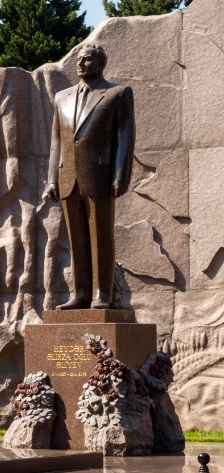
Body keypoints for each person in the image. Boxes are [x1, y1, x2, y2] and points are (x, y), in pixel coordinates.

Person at [44, 43, 136, 310]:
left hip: (100, 176)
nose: (79, 63)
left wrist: (121, 175)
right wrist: (52, 179)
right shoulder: (62, 97)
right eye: (78, 59)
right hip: (68, 178)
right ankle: (81, 294)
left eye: (86, 59)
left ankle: (101, 294)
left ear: (100, 63)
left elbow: (125, 137)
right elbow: (57, 141)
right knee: (77, 240)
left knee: (101, 237)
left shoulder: (117, 93)